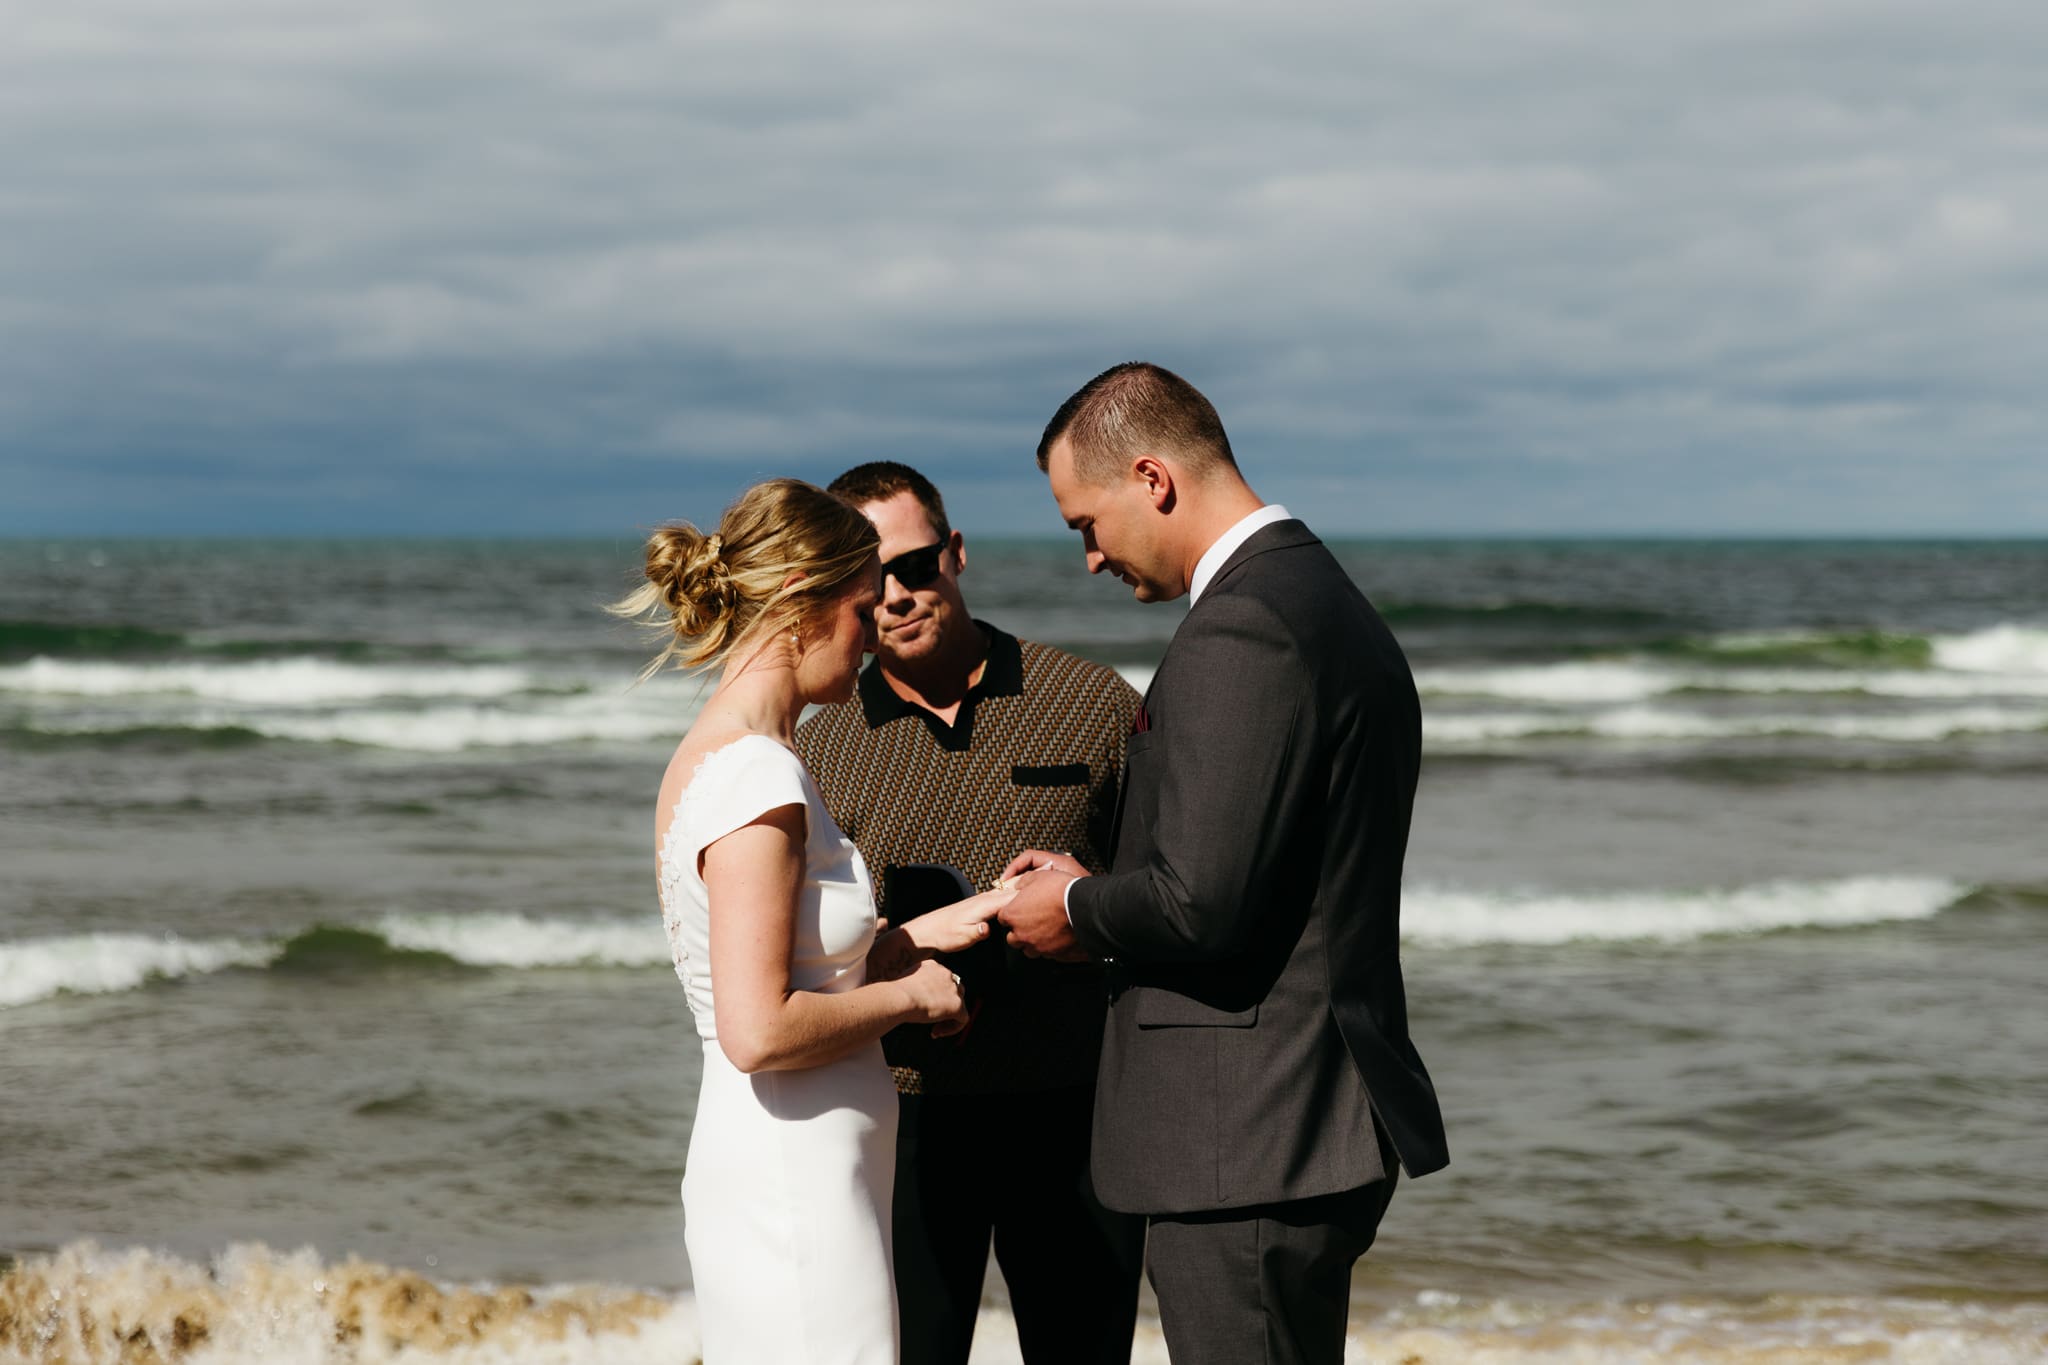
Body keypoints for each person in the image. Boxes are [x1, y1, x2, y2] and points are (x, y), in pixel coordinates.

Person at [997, 364, 1449, 1365]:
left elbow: (1200, 902)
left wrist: (1069, 904)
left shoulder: (1243, 626)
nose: (1088, 558)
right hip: (1288, 1121)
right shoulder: (1316, 597)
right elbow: (1256, 864)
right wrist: (1095, 884)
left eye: (1084, 523)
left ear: (1151, 478)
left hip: (1246, 1137)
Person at [614, 478, 1013, 1365]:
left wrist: (922, 935)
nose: (874, 632)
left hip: (798, 1164)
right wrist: (915, 996)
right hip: (795, 1183)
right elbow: (759, 1027)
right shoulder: (759, 775)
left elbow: (788, 968)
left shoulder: (724, 754)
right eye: (863, 608)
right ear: (802, 605)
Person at [794, 462, 1146, 1365]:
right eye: (872, 583)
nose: (898, 596)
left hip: (1075, 1109)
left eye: (916, 566)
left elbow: (1167, 896)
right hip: (900, 1116)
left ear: (955, 553)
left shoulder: (1094, 704)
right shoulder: (815, 738)